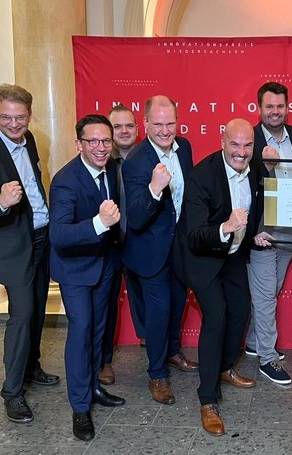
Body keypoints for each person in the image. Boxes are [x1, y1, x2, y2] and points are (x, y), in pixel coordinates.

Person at [0, 84, 60, 424]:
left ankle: (31, 368)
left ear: (29, 115)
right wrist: (1, 202)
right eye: (6, 117)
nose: (13, 124)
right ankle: (12, 392)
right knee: (21, 316)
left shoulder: (29, 139)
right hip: (14, 248)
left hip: (39, 238)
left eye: (20, 117)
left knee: (36, 310)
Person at [173, 118, 260, 435]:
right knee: (217, 317)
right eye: (235, 144)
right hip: (201, 257)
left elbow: (258, 207)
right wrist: (225, 227)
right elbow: (195, 235)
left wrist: (256, 232)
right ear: (223, 142)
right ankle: (207, 400)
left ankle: (224, 368)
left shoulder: (255, 169)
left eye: (247, 145)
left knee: (241, 311)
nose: (241, 152)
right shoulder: (202, 176)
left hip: (232, 254)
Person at [49, 114, 127, 440]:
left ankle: (93, 387)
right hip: (75, 269)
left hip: (104, 264)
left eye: (105, 141)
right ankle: (80, 408)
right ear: (79, 143)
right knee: (81, 334)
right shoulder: (66, 180)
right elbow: (60, 235)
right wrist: (99, 223)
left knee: (97, 332)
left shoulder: (112, 169)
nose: (100, 147)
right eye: (92, 141)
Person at [122, 95, 198, 405]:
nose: (165, 130)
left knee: (178, 303)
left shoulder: (186, 148)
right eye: (158, 124)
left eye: (170, 123)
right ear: (146, 124)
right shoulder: (136, 162)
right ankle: (156, 374)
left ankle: (173, 352)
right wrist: (154, 189)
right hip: (150, 251)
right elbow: (137, 217)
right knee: (158, 312)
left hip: (179, 247)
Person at [246, 82, 292, 385]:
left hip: (291, 226)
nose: (275, 112)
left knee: (271, 290)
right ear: (259, 108)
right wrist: (268, 167)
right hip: (262, 230)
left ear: (287, 107)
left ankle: (253, 341)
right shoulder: (249, 139)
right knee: (265, 295)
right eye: (269, 106)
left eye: (280, 106)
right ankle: (267, 357)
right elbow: (243, 182)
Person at [99, 104, 146, 387]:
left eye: (129, 126)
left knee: (147, 299)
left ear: (138, 129)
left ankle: (153, 346)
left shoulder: (147, 158)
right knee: (107, 304)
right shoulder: (102, 161)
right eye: (117, 127)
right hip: (112, 245)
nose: (124, 131)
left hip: (141, 242)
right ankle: (104, 360)